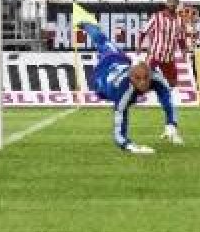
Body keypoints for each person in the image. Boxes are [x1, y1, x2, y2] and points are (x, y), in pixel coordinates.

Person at [78, 13, 183, 155]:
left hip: (120, 60)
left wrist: (171, 123)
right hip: (102, 77)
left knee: (106, 44)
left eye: (146, 78)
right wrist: (130, 146)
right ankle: (86, 24)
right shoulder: (123, 91)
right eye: (138, 79)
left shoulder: (155, 77)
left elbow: (167, 98)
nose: (143, 83)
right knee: (101, 40)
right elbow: (119, 130)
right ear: (131, 77)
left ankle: (89, 26)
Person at [138, 0, 190, 87]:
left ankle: (167, 94)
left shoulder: (180, 21)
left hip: (168, 58)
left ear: (177, 4)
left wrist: (183, 52)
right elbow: (144, 31)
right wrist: (139, 46)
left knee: (173, 83)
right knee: (144, 78)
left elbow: (181, 38)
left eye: (174, 2)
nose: (171, 4)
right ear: (166, 3)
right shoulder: (157, 17)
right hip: (155, 55)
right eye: (169, 2)